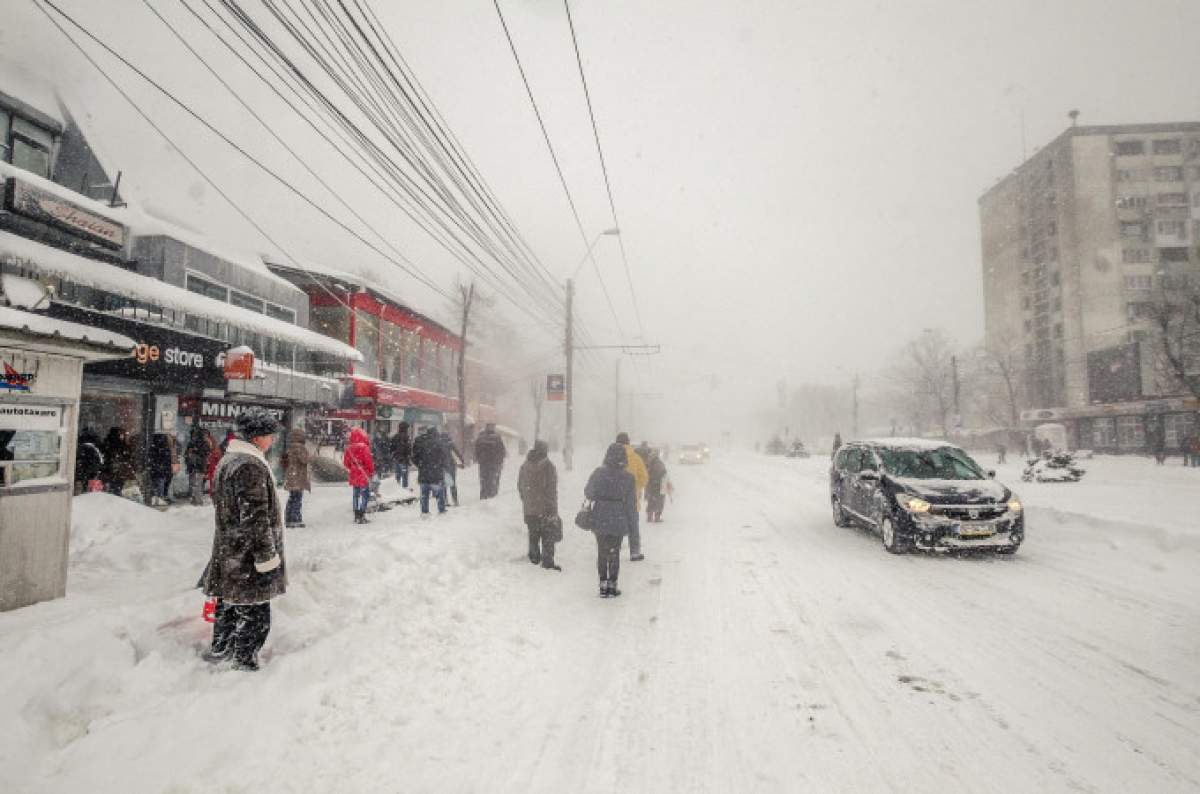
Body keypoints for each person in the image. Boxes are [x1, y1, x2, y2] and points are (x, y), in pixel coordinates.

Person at [201, 407, 285, 672]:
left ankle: (221, 650)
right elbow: (256, 518)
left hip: (230, 550)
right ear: (257, 437)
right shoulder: (250, 466)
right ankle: (244, 664)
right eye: (270, 435)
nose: (272, 440)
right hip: (247, 557)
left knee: (228, 603)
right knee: (253, 612)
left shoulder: (230, 460)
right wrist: (267, 558)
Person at [585, 443, 638, 597]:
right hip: (618, 517)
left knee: (602, 551)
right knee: (614, 552)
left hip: (600, 516)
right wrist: (632, 524)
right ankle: (612, 585)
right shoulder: (628, 478)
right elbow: (631, 505)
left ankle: (602, 584)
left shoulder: (598, 473)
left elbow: (589, 492)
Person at [518, 440, 560, 570]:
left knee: (533, 533)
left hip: (530, 508)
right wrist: (553, 508)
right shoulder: (549, 466)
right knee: (548, 535)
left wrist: (527, 500)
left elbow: (520, 486)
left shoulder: (524, 466)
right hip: (545, 507)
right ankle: (547, 562)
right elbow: (551, 490)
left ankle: (534, 557)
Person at [615, 432, 648, 561]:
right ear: (628, 442)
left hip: (615, 497)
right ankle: (634, 552)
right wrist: (636, 488)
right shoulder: (635, 458)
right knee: (633, 524)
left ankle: (614, 549)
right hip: (631, 498)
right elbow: (644, 477)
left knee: (615, 523)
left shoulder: (612, 457)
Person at [412, 426, 447, 517]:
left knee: (424, 494)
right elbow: (444, 458)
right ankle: (441, 511)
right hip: (436, 474)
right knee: (439, 494)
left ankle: (425, 512)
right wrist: (440, 466)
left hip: (423, 473)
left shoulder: (420, 442)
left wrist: (420, 465)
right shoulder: (438, 443)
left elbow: (414, 457)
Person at [343, 427, 375, 524]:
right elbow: (369, 462)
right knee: (365, 495)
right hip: (363, 474)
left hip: (354, 474)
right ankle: (362, 514)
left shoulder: (349, 448)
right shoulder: (364, 447)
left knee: (355, 495)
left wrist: (353, 467)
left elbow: (346, 463)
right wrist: (371, 472)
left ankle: (356, 514)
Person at [281, 427, 311, 528]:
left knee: (292, 498)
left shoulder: (289, 447)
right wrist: (308, 455)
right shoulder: (300, 448)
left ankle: (288, 518)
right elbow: (304, 460)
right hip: (298, 477)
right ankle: (295, 519)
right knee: (297, 499)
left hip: (291, 476)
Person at [474, 423, 507, 499]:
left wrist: (479, 459)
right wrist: (500, 461)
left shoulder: (481, 437)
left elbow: (476, 450)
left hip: (484, 463)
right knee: (493, 480)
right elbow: (502, 451)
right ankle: (492, 495)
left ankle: (484, 495)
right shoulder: (497, 438)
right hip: (494, 463)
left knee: (484, 480)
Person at [101, 427, 134, 495]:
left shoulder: (109, 442)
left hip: (113, 470)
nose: (122, 435)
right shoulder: (117, 443)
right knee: (116, 486)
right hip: (115, 470)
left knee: (114, 486)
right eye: (121, 434)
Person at [184, 423, 211, 506]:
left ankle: (193, 498)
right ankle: (198, 500)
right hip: (200, 465)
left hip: (192, 464)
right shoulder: (205, 442)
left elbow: (187, 453)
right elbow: (206, 453)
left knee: (193, 483)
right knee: (199, 483)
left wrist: (191, 455)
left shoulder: (192, 442)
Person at [147, 433, 176, 507]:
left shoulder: (153, 447)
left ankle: (156, 500)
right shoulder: (165, 448)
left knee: (156, 486)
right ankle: (159, 500)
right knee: (160, 486)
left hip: (156, 471)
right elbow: (167, 460)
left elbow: (151, 459)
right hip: (161, 471)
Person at [74, 428, 105, 494]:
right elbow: (100, 462)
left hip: (83, 474)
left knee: (83, 492)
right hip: (90, 475)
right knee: (90, 493)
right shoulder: (94, 449)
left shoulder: (80, 448)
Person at [438, 430, 464, 507]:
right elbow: (457, 453)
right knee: (452, 483)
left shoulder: (438, 444)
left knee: (444, 484)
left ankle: (445, 500)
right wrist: (462, 462)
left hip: (442, 466)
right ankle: (455, 501)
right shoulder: (450, 443)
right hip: (451, 466)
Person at [644, 447, 669, 523]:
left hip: (650, 484)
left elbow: (646, 472)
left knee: (651, 500)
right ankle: (657, 517)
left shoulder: (648, 461)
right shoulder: (659, 462)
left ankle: (649, 516)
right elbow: (663, 473)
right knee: (659, 501)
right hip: (658, 484)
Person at [391, 421, 412, 488]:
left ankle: (397, 489)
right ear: (405, 428)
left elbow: (391, 448)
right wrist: (408, 457)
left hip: (396, 459)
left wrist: (394, 455)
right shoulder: (406, 437)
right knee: (404, 477)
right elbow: (408, 449)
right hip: (404, 460)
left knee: (397, 476)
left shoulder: (395, 436)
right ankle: (404, 491)